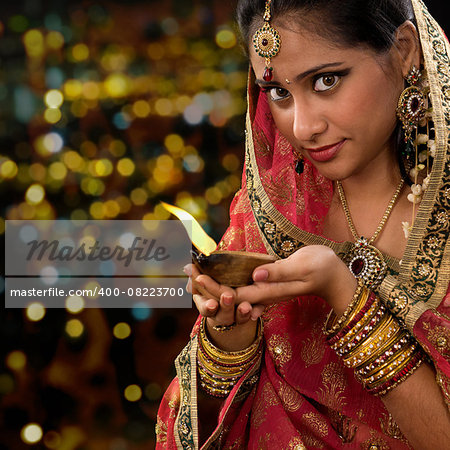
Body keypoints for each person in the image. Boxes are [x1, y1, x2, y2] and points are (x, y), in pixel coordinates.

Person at [156, 0, 450, 448]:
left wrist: (345, 295)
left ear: (404, 50)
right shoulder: (271, 215)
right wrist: (230, 334)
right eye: (278, 93)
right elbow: (200, 424)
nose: (303, 125)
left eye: (326, 80)